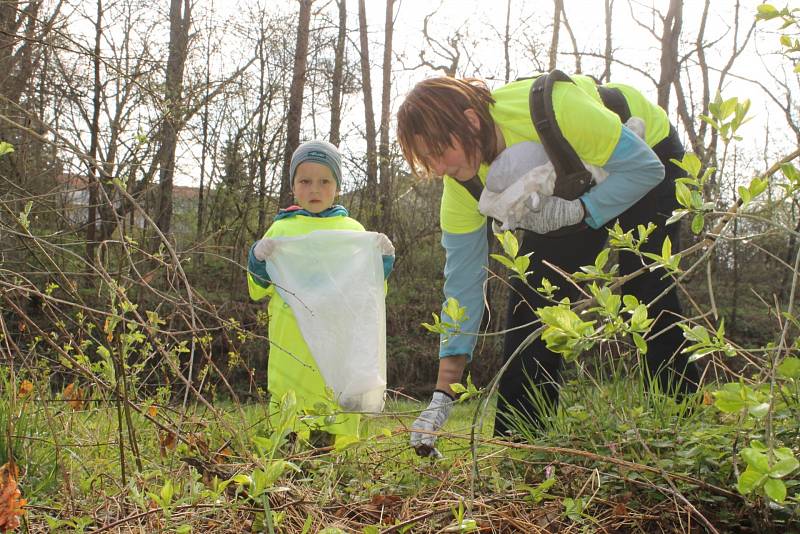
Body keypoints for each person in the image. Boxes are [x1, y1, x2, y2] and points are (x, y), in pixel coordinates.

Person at [397, 74, 701, 454]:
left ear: (471, 122)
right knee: (533, 298)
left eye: (440, 153)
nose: (438, 169)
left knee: (647, 288)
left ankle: (681, 426)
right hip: (570, 179)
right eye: (428, 161)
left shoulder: (555, 107)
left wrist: (580, 211)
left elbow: (646, 169)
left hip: (643, 152)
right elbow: (462, 287)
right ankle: (522, 448)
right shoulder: (461, 185)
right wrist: (443, 393)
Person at [247, 139, 395, 447]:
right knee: (291, 424)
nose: (315, 189)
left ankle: (334, 469)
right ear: (293, 187)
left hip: (339, 343)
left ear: (337, 186)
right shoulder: (280, 231)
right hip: (293, 344)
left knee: (334, 420)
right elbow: (258, 289)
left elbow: (368, 293)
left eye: (324, 181)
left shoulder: (353, 231)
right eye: (305, 181)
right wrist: (258, 259)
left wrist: (381, 263)